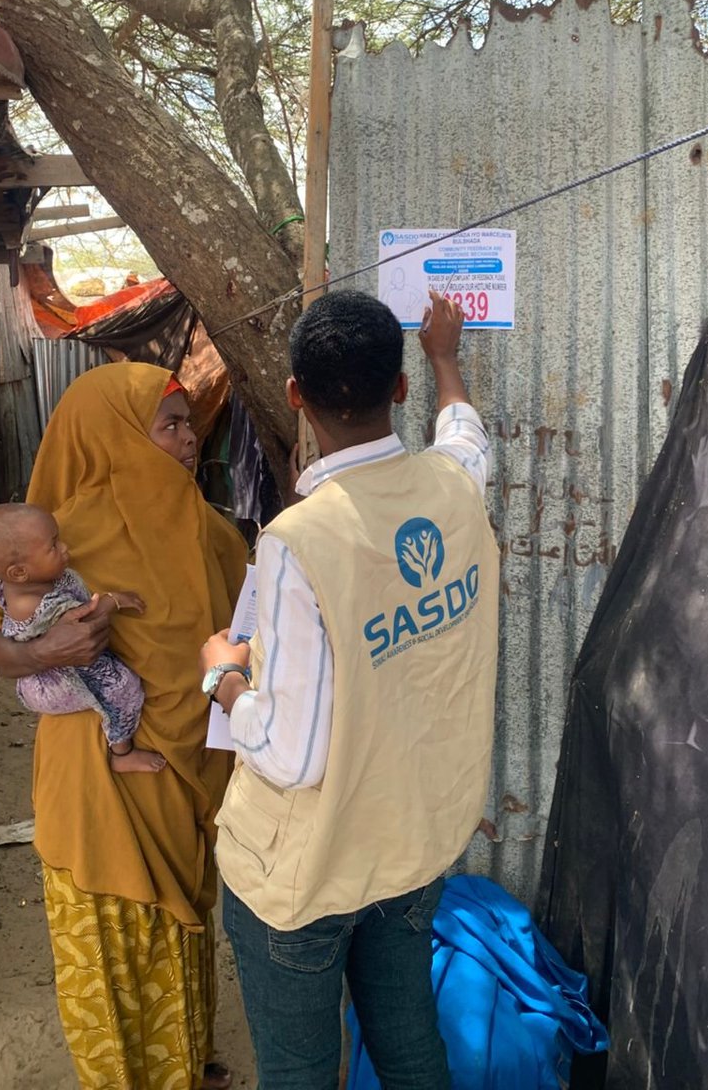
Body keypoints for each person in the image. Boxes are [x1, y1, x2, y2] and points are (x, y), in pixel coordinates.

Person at [200, 289, 499, 1090]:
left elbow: (290, 753)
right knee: (408, 1047)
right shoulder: (453, 489)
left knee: (300, 1072)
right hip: (411, 846)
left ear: (295, 395)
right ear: (398, 389)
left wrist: (223, 676)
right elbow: (465, 435)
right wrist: (445, 356)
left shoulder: (299, 543)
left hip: (308, 871)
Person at [0, 364, 247, 1090]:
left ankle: (186, 1064)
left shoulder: (210, 529)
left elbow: (242, 634)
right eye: (172, 425)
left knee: (179, 918)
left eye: (190, 424)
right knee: (110, 928)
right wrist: (41, 649)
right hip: (94, 773)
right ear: (117, 432)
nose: (190, 441)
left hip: (183, 769)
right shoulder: (59, 538)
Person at [0, 501, 165, 774]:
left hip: (49, 669)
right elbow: (84, 622)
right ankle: (122, 751)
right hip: (60, 678)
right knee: (121, 690)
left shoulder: (6, 579)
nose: (65, 548)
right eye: (54, 546)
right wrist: (113, 600)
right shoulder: (37, 603)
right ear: (19, 572)